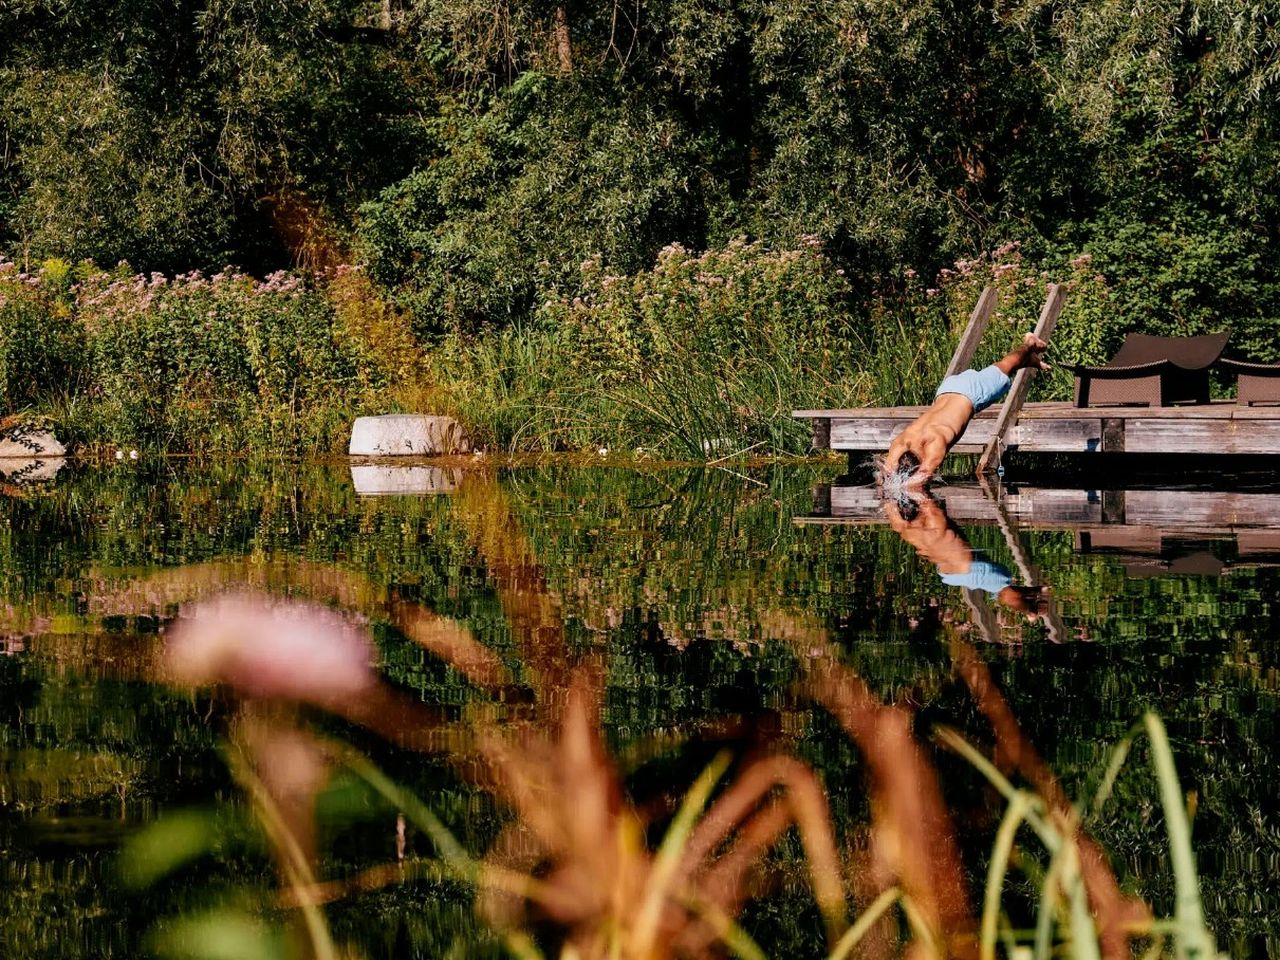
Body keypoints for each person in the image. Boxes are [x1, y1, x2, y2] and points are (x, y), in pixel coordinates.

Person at [883, 332, 1050, 487]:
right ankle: (1030, 361)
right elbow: (887, 472)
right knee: (1001, 370)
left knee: (1006, 365)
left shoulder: (936, 442)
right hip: (946, 389)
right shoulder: (900, 442)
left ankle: (1029, 344)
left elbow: (921, 480)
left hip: (971, 394)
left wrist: (896, 491)